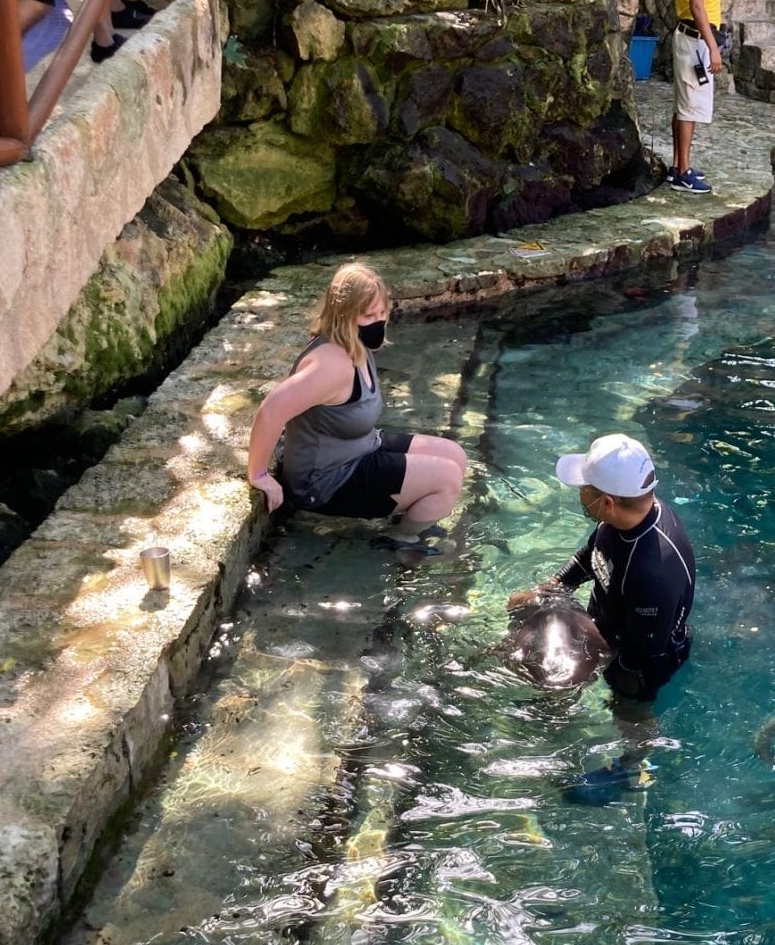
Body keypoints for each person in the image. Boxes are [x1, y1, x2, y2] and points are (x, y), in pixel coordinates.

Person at [246, 262, 467, 546]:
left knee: (455, 455)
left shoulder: (355, 345)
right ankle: (399, 540)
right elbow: (270, 411)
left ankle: (409, 517)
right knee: (446, 479)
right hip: (326, 480)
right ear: (344, 316)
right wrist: (259, 474)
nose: (378, 321)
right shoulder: (330, 366)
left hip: (362, 448)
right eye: (368, 315)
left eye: (382, 312)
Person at [509, 434, 695, 705]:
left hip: (644, 655)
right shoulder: (629, 516)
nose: (579, 492)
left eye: (584, 487)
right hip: (611, 624)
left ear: (607, 502)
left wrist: (624, 691)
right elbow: (592, 554)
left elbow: (645, 655)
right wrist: (547, 590)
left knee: (626, 718)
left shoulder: (653, 573)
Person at [669, 0, 730, 195]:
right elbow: (697, 5)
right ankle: (683, 172)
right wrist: (713, 46)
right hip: (694, 39)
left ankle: (678, 164)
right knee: (690, 107)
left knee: (684, 105)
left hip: (691, 37)